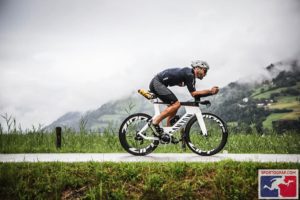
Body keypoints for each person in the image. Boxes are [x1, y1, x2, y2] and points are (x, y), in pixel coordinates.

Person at [148, 60, 219, 135]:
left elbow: (195, 95)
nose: (205, 74)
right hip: (157, 83)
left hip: (158, 83)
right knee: (176, 104)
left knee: (174, 108)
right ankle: (155, 121)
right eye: (205, 71)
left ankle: (167, 132)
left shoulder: (191, 76)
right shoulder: (189, 74)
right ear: (198, 68)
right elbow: (194, 93)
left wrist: (211, 93)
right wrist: (210, 91)